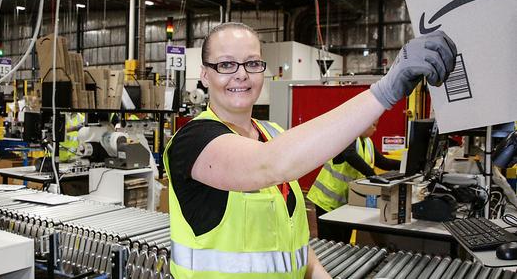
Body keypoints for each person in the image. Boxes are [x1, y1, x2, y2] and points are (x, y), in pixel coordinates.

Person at [163, 22, 456, 278]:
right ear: (204, 75)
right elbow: (268, 164)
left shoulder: (273, 134)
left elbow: (293, 245)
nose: (241, 75)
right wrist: (385, 91)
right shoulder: (193, 141)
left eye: (252, 63)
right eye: (226, 65)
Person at [307, 119, 400, 243]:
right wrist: (371, 175)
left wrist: (405, 165)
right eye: (373, 125)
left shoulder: (367, 143)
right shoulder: (347, 138)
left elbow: (383, 162)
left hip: (346, 202)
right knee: (329, 243)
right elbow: (349, 155)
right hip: (327, 200)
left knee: (343, 241)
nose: (375, 129)